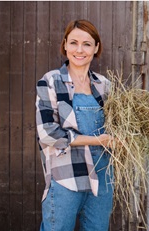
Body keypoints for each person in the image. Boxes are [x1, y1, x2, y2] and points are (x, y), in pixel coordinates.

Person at [35, 19, 114, 231]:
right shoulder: (51, 81)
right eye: (74, 43)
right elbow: (48, 133)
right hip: (66, 177)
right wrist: (99, 140)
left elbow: (118, 127)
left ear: (96, 47)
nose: (80, 50)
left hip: (102, 177)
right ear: (65, 45)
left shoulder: (104, 85)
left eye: (87, 44)